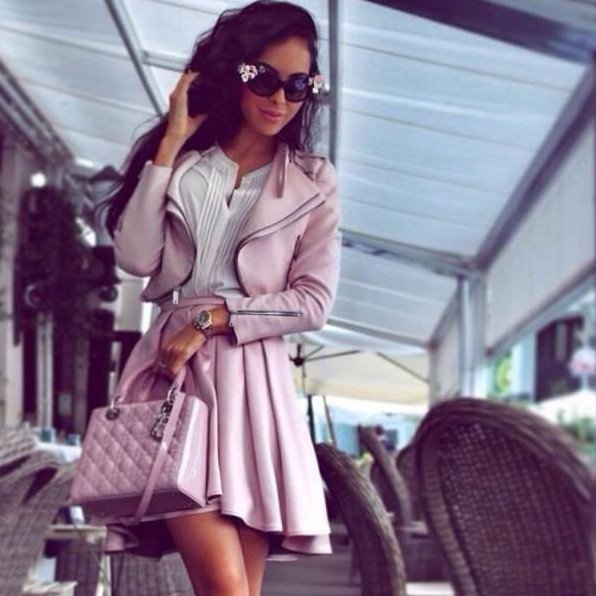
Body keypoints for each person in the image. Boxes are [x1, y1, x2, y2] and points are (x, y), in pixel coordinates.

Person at [93, 2, 341, 594]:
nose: (280, 99)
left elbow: (313, 301)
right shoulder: (186, 164)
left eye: (298, 86)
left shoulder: (313, 180)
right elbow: (136, 258)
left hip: (254, 389)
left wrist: (215, 316)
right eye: (265, 78)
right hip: (174, 381)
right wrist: (171, 143)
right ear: (236, 72)